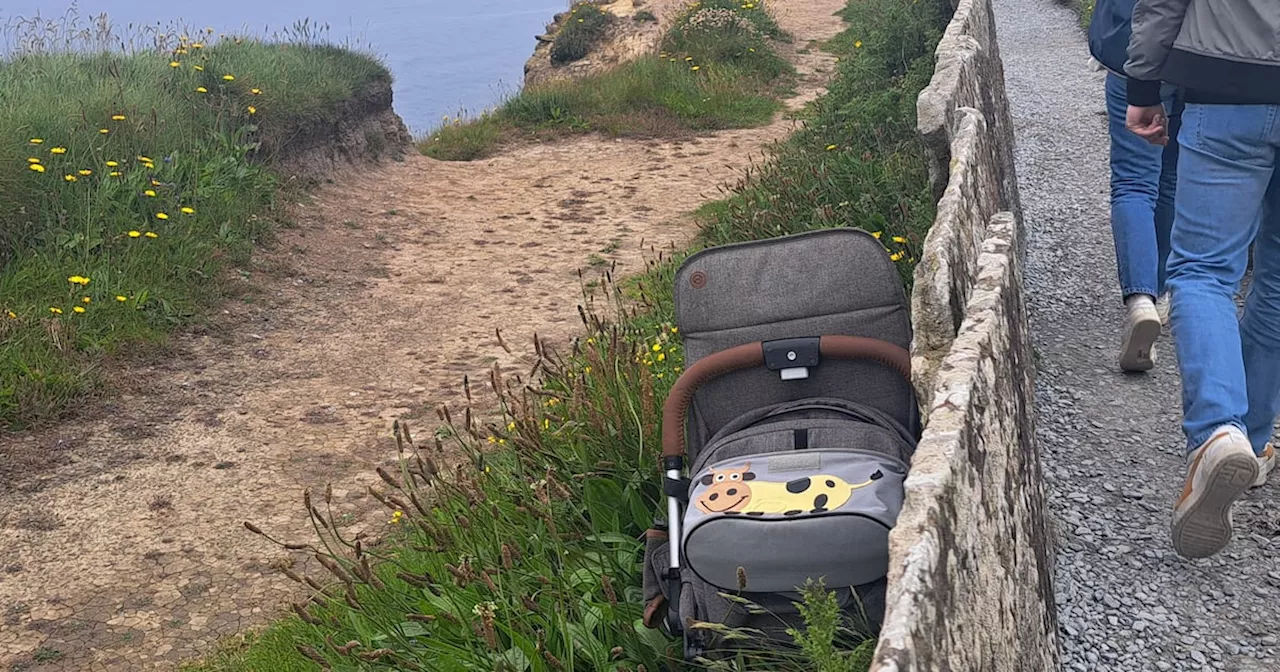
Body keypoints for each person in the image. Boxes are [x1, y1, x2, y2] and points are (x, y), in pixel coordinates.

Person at [1125, 0, 1279, 559]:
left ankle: (1219, 431)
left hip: (1228, 87)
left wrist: (1142, 85)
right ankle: (1253, 444)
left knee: (1203, 271)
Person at [1087, 0, 1182, 372]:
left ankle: (1141, 300)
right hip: (1197, 59)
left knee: (1133, 182)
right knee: (1170, 179)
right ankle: (1160, 292)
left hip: (1135, 52)